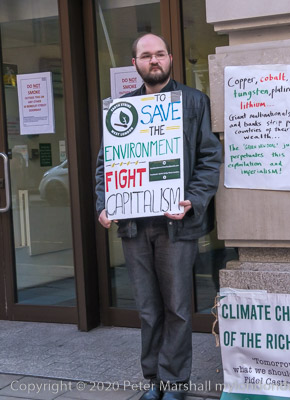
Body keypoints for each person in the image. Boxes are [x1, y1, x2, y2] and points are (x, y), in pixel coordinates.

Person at [95, 33, 222, 400]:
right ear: (135, 63)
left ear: (170, 59)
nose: (154, 60)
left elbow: (210, 158)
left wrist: (192, 200)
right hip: (134, 226)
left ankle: (175, 383)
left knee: (178, 308)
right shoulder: (122, 109)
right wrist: (104, 203)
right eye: (146, 55)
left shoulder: (194, 102)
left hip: (177, 224)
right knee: (148, 310)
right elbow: (106, 164)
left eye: (160, 54)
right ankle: (154, 380)